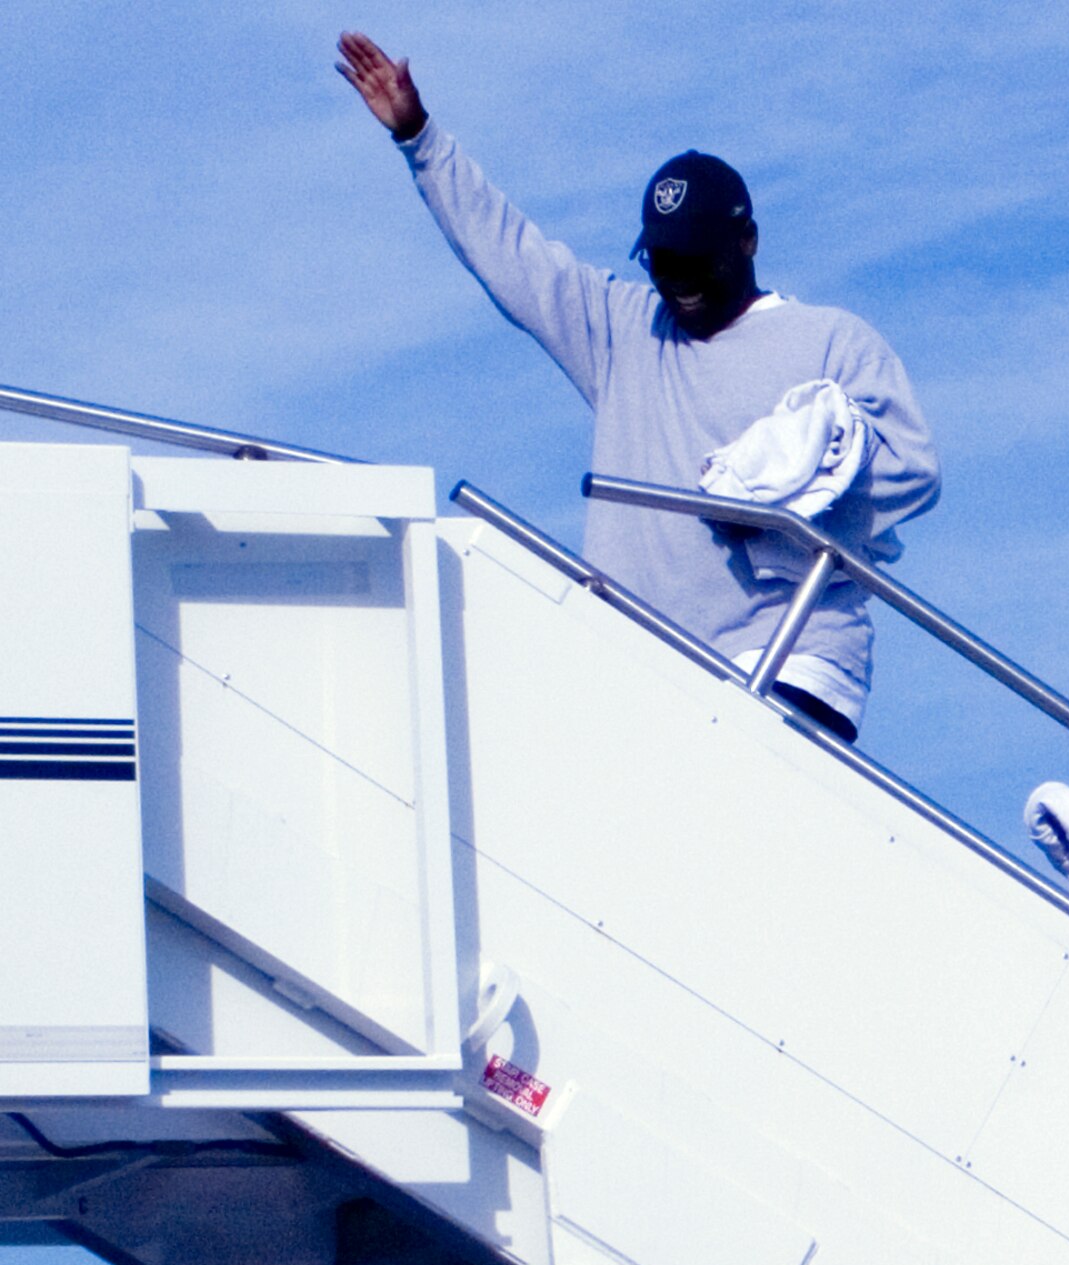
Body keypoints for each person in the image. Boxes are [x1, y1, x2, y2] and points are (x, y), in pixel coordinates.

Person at [335, 32, 940, 742]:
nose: (674, 279)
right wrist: (419, 138)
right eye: (659, 260)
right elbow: (514, 257)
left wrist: (782, 491)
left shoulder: (831, 339)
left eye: (692, 259)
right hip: (643, 667)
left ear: (746, 242)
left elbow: (915, 469)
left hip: (790, 663)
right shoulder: (626, 331)